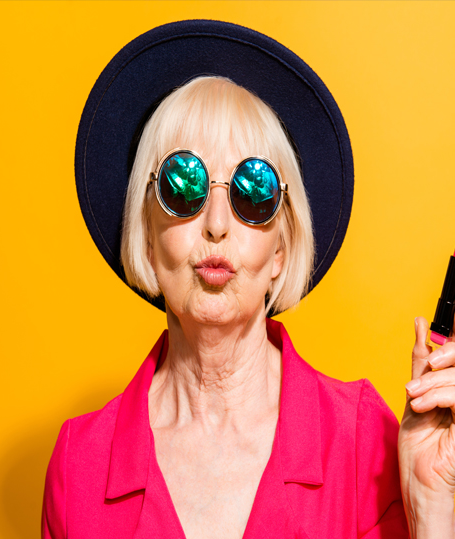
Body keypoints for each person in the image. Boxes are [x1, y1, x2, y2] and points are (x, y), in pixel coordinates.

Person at [43, 21, 455, 539]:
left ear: (281, 248)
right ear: (146, 235)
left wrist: (433, 509)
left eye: (252, 191)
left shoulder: (363, 440)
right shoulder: (78, 463)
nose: (217, 223)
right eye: (183, 184)